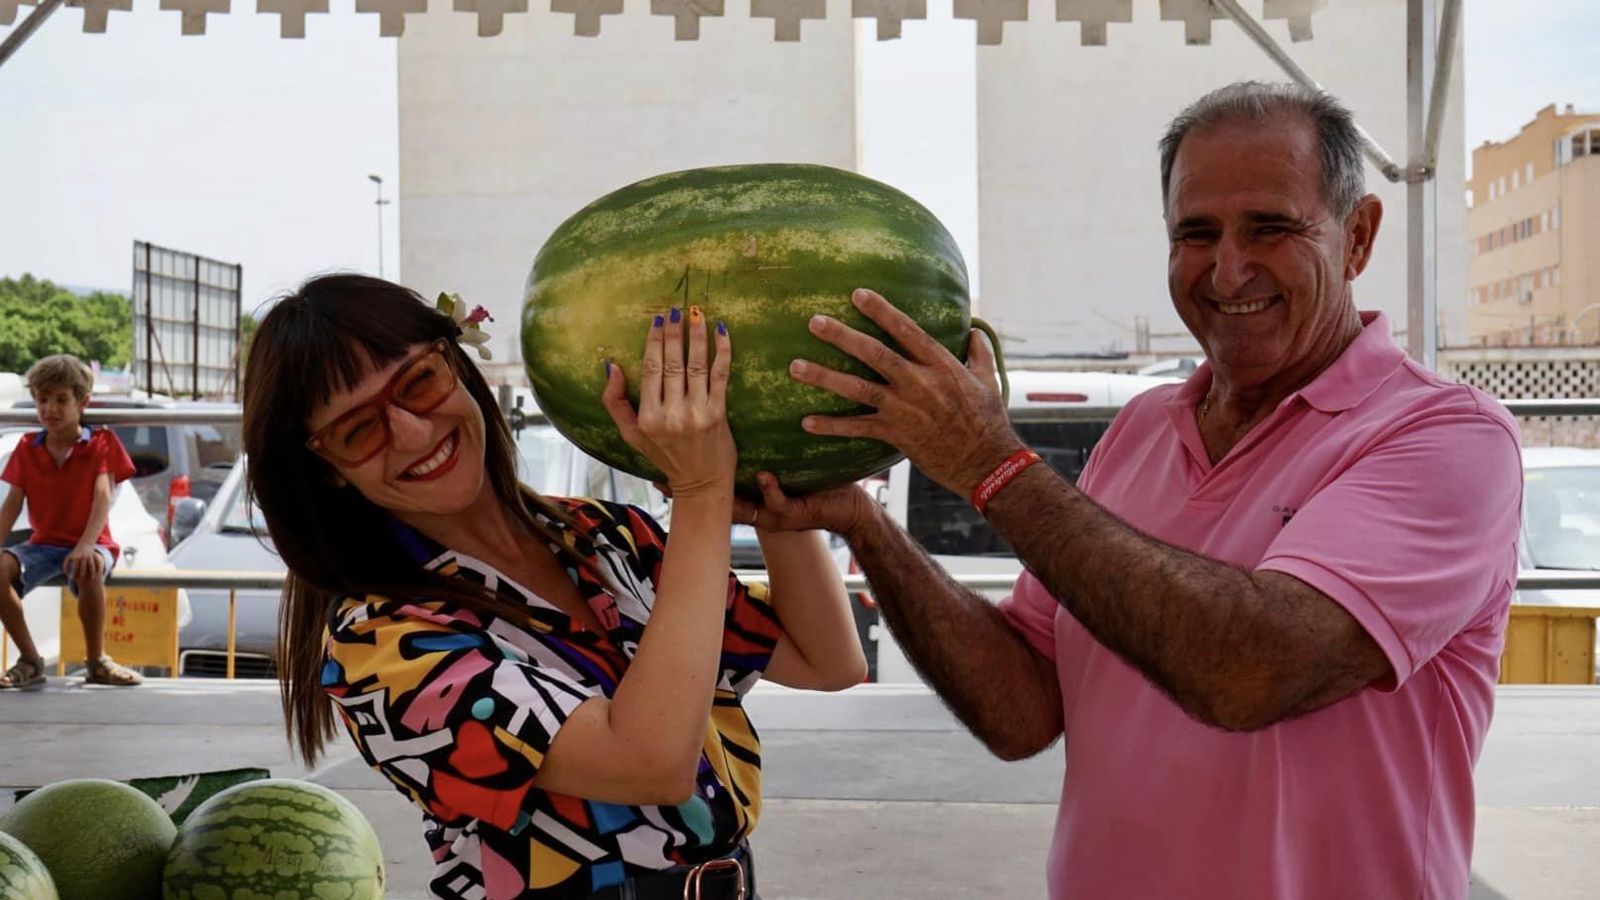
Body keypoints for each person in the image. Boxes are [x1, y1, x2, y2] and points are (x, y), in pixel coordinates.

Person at [746, 82, 1524, 899]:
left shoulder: (1446, 438)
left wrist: (991, 463)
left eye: (1270, 227)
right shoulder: (1142, 427)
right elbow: (1021, 709)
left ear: (1357, 236)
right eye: (1196, 233)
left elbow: (1249, 672)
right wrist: (866, 526)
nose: (1228, 268)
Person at [241, 274, 865, 900]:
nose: (412, 432)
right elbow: (651, 762)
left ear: (455, 364)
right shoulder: (379, 650)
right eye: (358, 431)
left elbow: (828, 660)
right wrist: (702, 491)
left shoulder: (608, 536)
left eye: (418, 383)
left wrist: (771, 456)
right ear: (329, 473)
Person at [0, 354, 143, 689]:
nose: (49, 409)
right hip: (43, 543)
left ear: (83, 402)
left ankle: (96, 660)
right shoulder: (26, 447)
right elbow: (12, 504)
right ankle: (31, 659)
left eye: (61, 400)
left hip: (92, 541)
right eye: (42, 399)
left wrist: (84, 546)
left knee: (90, 565)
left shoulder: (101, 442)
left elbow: (102, 497)